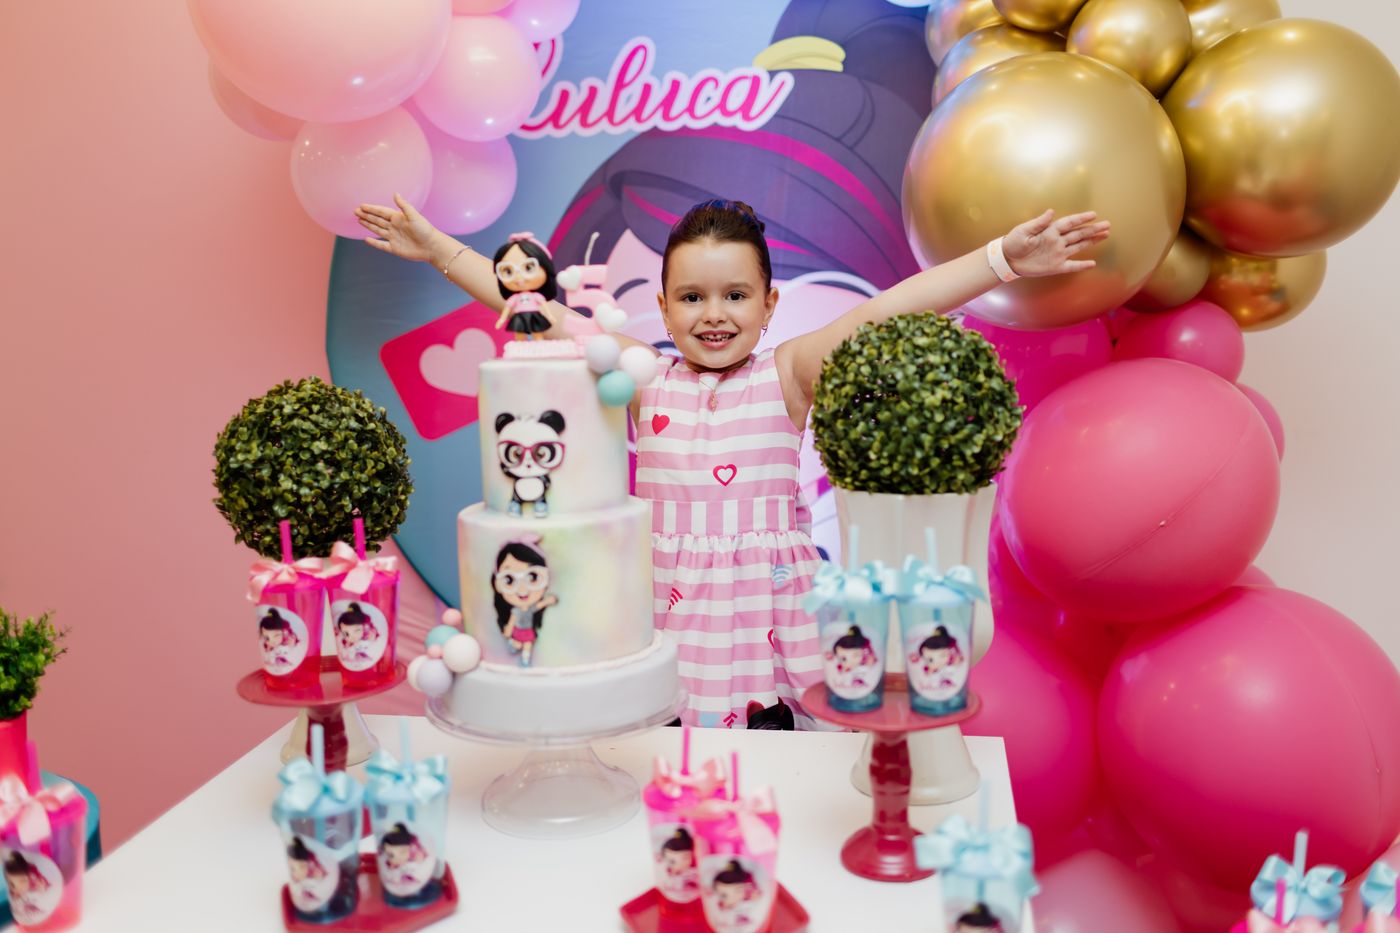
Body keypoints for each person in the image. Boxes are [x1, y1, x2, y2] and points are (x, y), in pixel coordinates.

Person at [357, 192, 1105, 726]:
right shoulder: (641, 376)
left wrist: (1003, 259)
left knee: (778, 763)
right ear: (662, 305)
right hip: (667, 604)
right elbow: (537, 311)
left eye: (735, 295)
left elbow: (889, 309)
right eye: (691, 297)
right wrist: (441, 250)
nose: (713, 314)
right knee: (669, 759)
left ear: (769, 304)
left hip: (772, 608)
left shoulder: (789, 372)